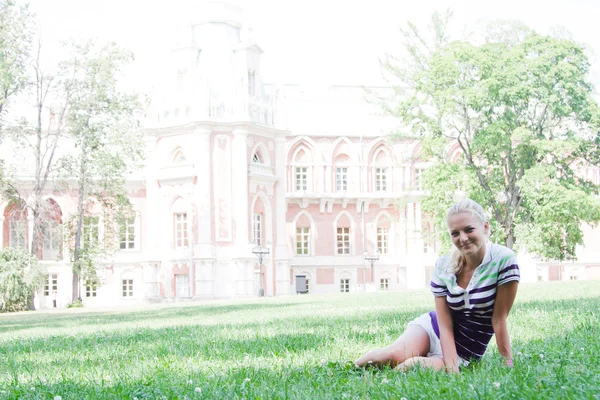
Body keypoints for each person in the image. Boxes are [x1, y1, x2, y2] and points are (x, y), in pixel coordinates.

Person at [355, 199, 519, 373]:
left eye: (469, 229)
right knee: (391, 356)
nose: (463, 238)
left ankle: (399, 373)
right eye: (455, 233)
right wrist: (452, 369)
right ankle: (349, 368)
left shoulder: (503, 260)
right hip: (433, 329)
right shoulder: (444, 265)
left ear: (485, 227)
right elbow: (444, 323)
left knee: (410, 367)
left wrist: (506, 365)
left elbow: (498, 319)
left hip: (465, 351)